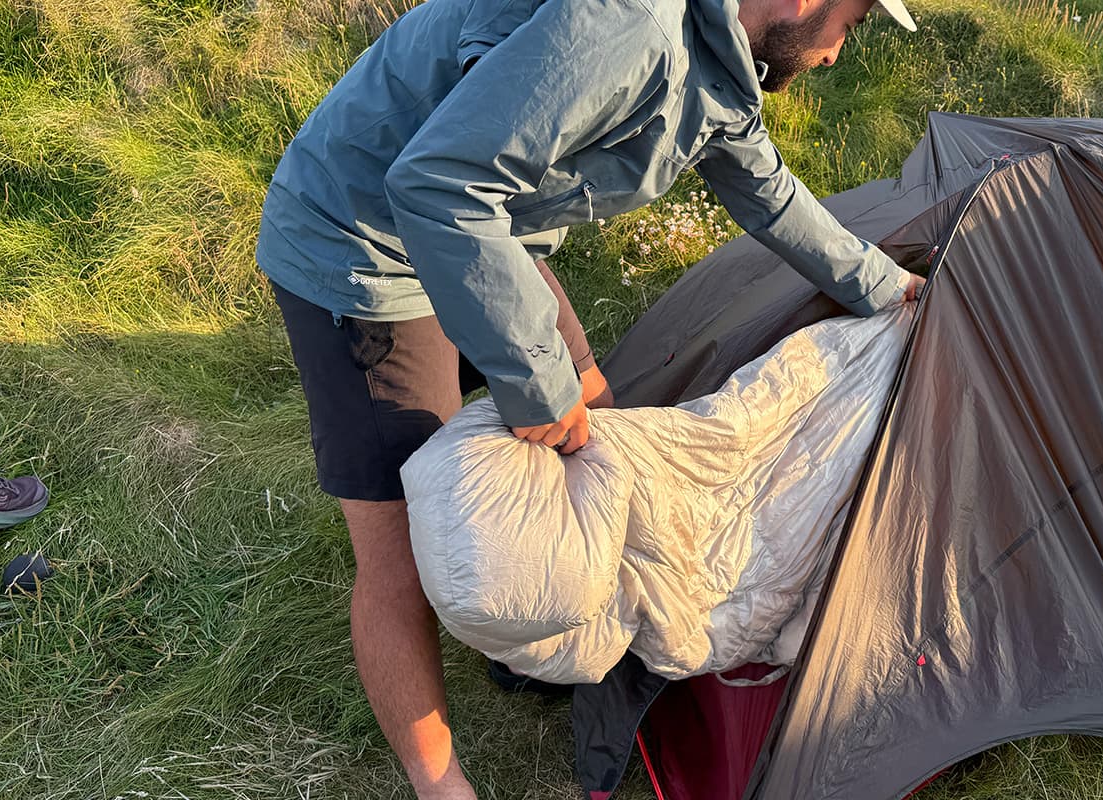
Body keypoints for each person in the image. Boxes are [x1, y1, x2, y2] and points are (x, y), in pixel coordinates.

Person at [254, 0, 923, 795]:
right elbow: (438, 184)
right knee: (400, 542)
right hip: (365, 245)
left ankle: (531, 637)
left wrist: (895, 291)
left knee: (599, 434)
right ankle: (439, 782)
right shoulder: (631, 24)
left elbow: (770, 195)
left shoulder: (721, 64)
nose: (839, 52)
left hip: (489, 232)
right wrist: (535, 382)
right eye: (853, 20)